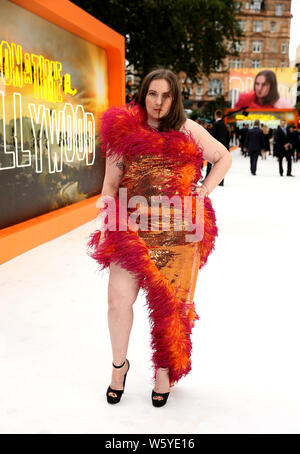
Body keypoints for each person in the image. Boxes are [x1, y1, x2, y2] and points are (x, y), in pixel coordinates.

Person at [87, 68, 231, 407]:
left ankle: (164, 371)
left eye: (166, 95)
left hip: (180, 234)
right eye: (153, 93)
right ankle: (119, 366)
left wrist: (204, 190)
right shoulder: (125, 131)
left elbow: (223, 157)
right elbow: (110, 184)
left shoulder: (188, 129)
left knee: (173, 307)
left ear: (175, 99)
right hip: (132, 231)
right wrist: (108, 211)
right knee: (117, 301)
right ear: (143, 94)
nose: (158, 102)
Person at [205, 110, 228, 186]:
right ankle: (220, 181)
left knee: (209, 162)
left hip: (215, 147)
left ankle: (207, 179)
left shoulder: (216, 124)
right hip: (222, 146)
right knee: (220, 164)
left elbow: (212, 136)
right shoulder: (224, 124)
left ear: (216, 115)